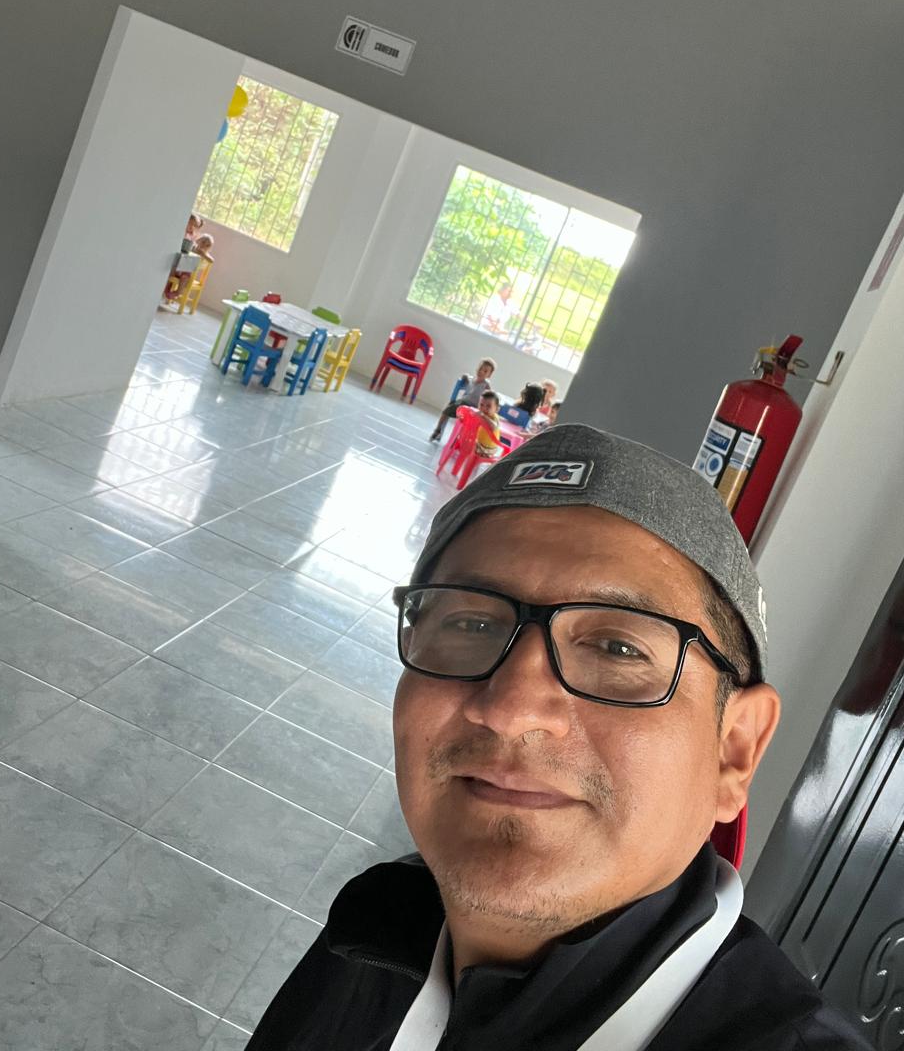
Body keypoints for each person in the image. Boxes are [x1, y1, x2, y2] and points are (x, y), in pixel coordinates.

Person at [245, 425, 869, 1051]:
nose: (511, 709)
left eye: (618, 648)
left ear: (734, 751)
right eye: (471, 623)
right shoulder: (377, 929)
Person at [430, 358, 497, 443]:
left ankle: (459, 439)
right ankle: (438, 429)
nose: (481, 371)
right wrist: (465, 376)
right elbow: (466, 377)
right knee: (446, 410)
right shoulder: (472, 379)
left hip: (473, 408)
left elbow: (490, 396)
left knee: (467, 422)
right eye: (480, 368)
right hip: (462, 403)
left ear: (489, 375)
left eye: (485, 371)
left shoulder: (486, 385)